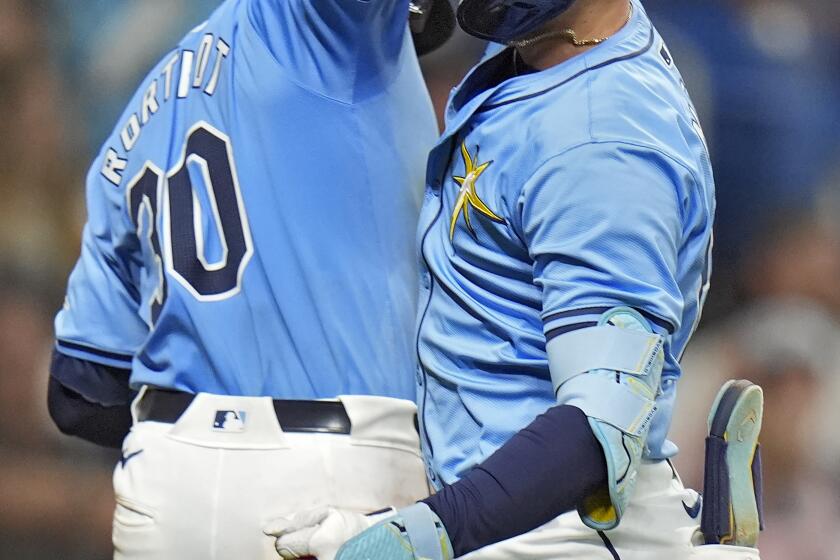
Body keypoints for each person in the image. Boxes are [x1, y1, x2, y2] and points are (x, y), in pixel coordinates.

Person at [267, 0, 763, 558]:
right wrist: (396, 522)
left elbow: (598, 433)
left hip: (568, 532)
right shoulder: (549, 55)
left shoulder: (602, 136)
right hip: (513, 515)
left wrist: (418, 537)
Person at [47, 1, 452, 558]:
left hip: (164, 480)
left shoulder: (139, 116)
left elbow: (79, 391)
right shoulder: (312, 24)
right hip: (333, 474)